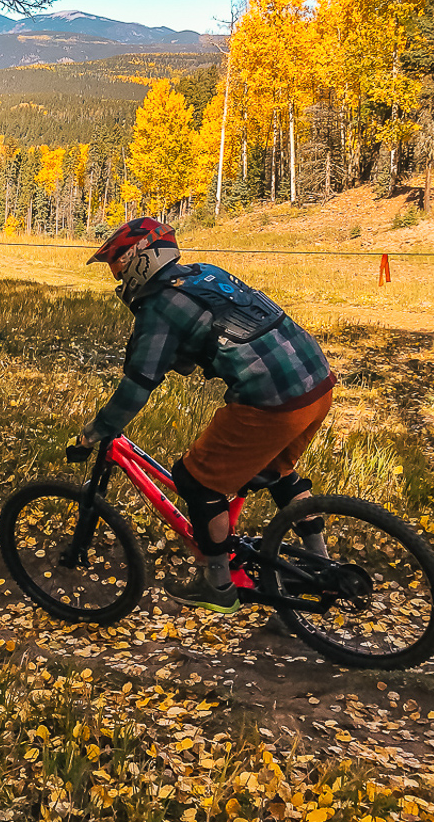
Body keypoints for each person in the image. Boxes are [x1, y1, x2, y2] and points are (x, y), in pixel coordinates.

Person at [80, 217, 334, 616]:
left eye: (117, 265)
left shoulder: (160, 305)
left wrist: (97, 430)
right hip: (317, 382)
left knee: (194, 481)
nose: (116, 277)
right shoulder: (206, 275)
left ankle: (217, 585)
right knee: (277, 469)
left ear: (137, 260)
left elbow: (138, 384)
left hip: (272, 400)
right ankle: (320, 562)